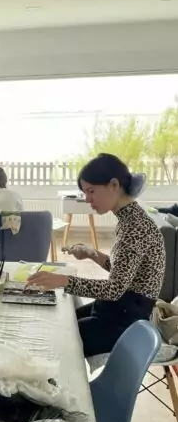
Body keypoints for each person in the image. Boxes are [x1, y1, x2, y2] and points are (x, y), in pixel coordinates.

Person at [27, 153, 166, 358]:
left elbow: (114, 289)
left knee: (56, 339)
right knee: (60, 321)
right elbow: (124, 272)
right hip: (119, 308)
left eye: (91, 191)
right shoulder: (130, 219)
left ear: (113, 185)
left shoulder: (135, 227)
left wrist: (63, 280)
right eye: (85, 192)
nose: (87, 199)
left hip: (126, 320)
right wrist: (92, 254)